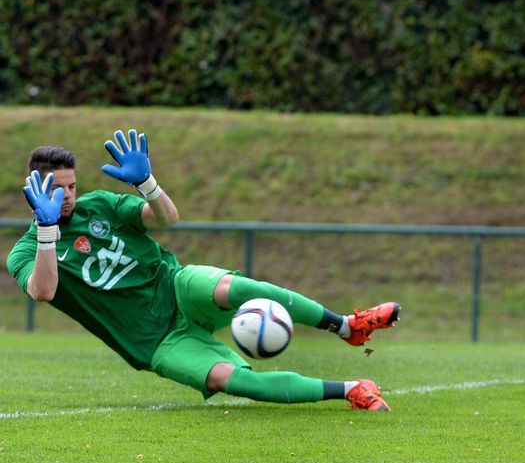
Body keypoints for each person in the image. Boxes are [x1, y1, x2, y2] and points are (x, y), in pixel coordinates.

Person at [7, 129, 402, 411]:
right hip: (155, 341)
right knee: (232, 381)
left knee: (241, 287)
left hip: (176, 286)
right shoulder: (24, 252)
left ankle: (350, 327)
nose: (69, 196)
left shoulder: (100, 206)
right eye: (59, 189)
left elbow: (166, 218)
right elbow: (43, 291)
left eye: (73, 187)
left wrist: (148, 184)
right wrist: (46, 232)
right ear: (35, 188)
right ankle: (353, 389)